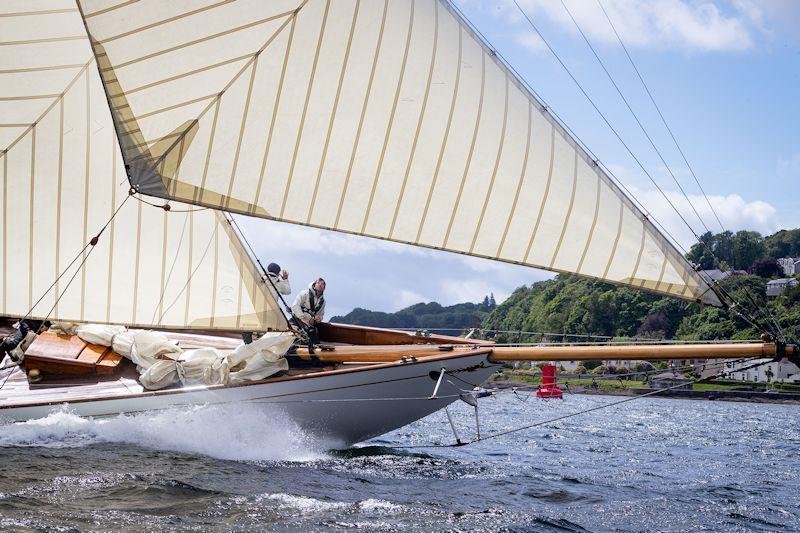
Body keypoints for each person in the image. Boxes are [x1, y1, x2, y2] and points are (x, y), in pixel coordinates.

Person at [242, 262, 291, 345]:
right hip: (271, 311)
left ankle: (248, 346)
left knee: (248, 329)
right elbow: (288, 291)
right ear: (278, 273)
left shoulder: (259, 279)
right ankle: (263, 347)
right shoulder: (280, 284)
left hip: (256, 309)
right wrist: (285, 279)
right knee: (268, 332)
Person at [291, 278, 326, 344]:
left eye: (322, 284)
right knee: (303, 336)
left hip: (310, 324)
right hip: (298, 320)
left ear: (324, 288)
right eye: (318, 283)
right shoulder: (305, 293)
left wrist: (319, 318)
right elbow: (295, 306)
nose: (320, 285)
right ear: (314, 285)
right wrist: (302, 318)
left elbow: (321, 314)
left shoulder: (323, 302)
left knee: (315, 340)